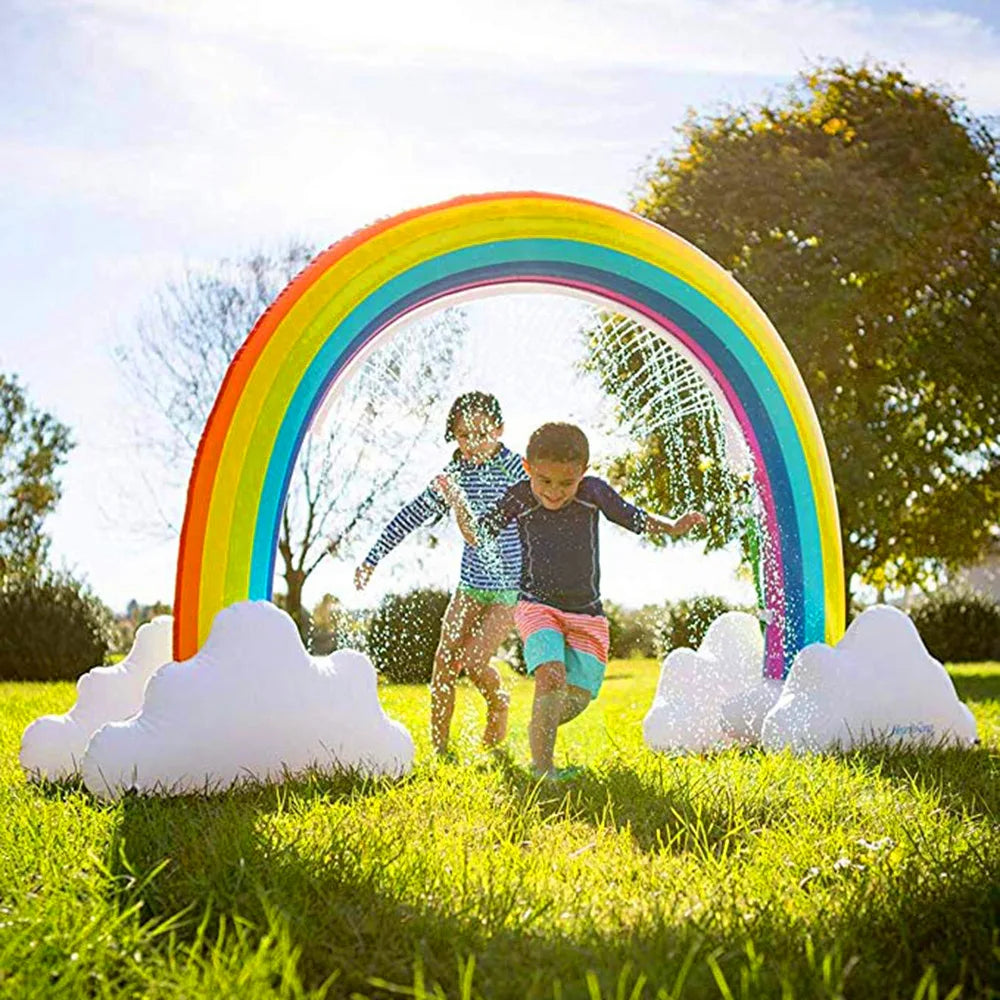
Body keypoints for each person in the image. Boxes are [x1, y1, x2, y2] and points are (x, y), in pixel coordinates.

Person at [436, 422, 706, 779]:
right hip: (536, 605)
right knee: (551, 676)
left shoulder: (592, 492)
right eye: (544, 480)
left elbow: (631, 517)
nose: (554, 492)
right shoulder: (519, 496)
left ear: (584, 471)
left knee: (575, 698)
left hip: (587, 614)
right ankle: (543, 770)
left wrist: (672, 526)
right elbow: (477, 534)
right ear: (528, 468)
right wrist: (457, 501)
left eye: (566, 482)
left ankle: (535, 728)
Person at [352, 391, 525, 756]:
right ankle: (440, 751)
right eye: (465, 435)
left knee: (476, 662)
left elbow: (544, 492)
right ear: (455, 437)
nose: (474, 442)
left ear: (500, 429)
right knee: (445, 659)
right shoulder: (453, 477)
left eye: (483, 432)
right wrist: (372, 558)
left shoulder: (513, 467)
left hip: (509, 589)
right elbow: (410, 515)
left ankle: (499, 702)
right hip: (470, 586)